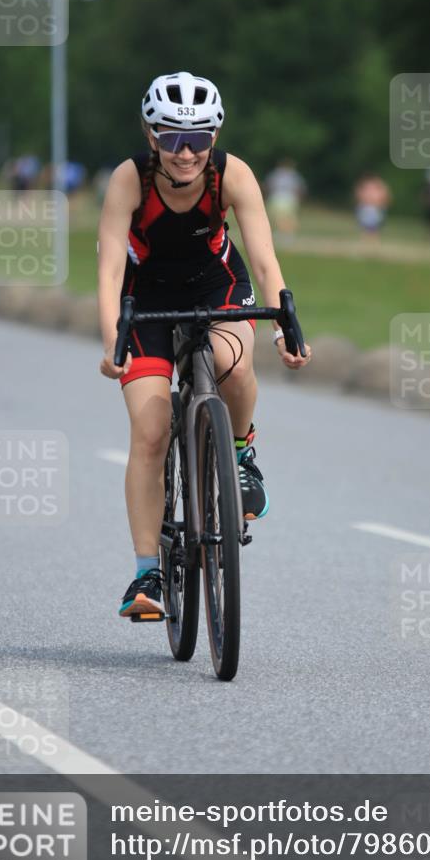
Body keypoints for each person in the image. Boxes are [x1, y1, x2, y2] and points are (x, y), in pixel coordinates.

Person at [97, 71, 311, 618]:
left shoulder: (231, 174)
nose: (185, 151)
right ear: (152, 136)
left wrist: (286, 319)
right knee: (149, 431)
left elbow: (263, 256)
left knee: (231, 366)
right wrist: (111, 341)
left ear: (214, 137)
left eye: (198, 138)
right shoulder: (130, 180)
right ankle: (148, 573)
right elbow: (109, 268)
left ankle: (240, 455)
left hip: (219, 285)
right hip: (144, 297)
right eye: (171, 137)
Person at [264, 158, 306, 236]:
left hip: (282, 198)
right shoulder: (292, 175)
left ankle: (286, 233)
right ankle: (285, 232)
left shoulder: (277, 175)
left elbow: (268, 186)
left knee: (283, 217)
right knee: (282, 217)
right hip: (284, 198)